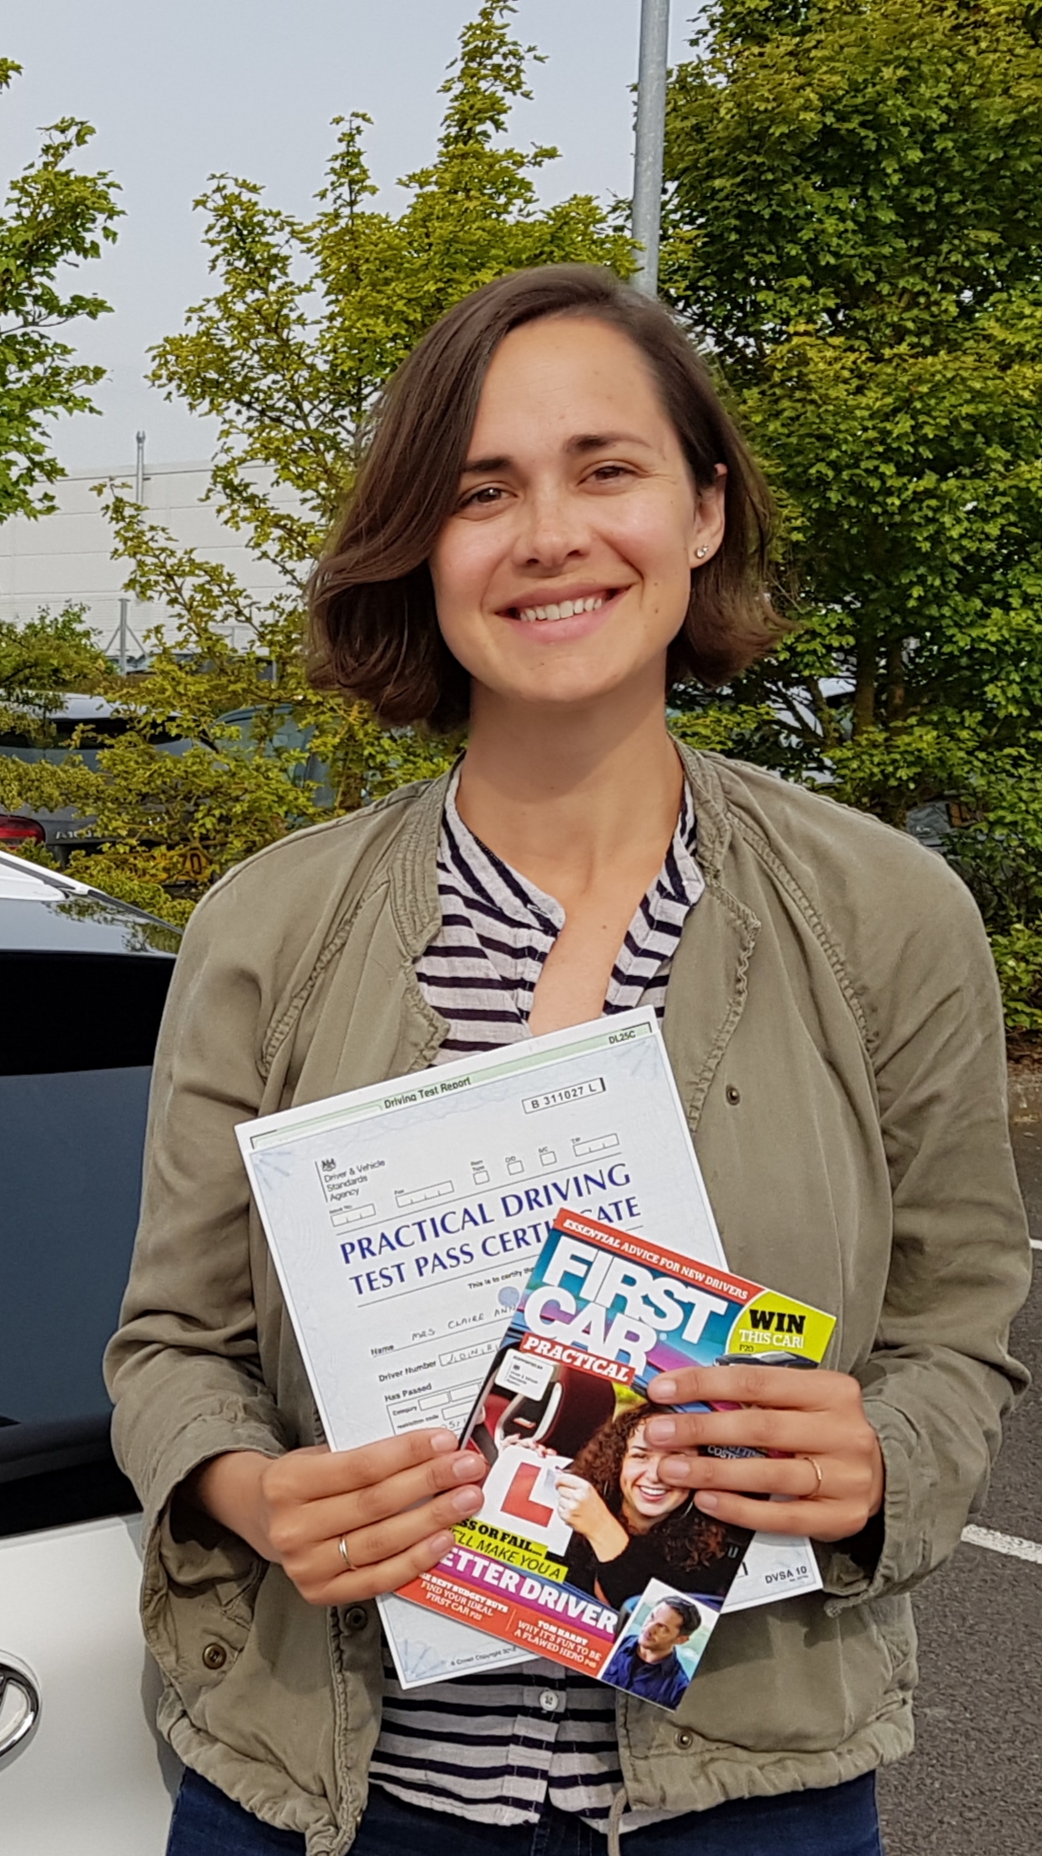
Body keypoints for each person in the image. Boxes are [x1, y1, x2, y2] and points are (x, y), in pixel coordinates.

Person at [105, 265, 1029, 1856]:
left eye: (605, 469)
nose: (548, 535)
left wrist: (882, 1461)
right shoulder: (271, 925)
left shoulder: (883, 915)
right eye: (481, 491)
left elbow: (956, 1333)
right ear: (422, 544)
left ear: (702, 511)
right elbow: (168, 1346)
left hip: (746, 1799)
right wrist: (250, 1494)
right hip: (332, 1800)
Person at [555, 1402, 739, 1610]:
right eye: (640, 1456)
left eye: (676, 1460)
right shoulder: (571, 1504)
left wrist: (601, 1528)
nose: (655, 1476)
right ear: (617, 1461)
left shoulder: (714, 1552)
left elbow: (650, 1617)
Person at [599, 1596, 701, 1711]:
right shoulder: (612, 1642)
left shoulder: (679, 1690)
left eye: (662, 1627)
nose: (649, 1628)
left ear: (680, 1640)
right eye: (652, 1617)